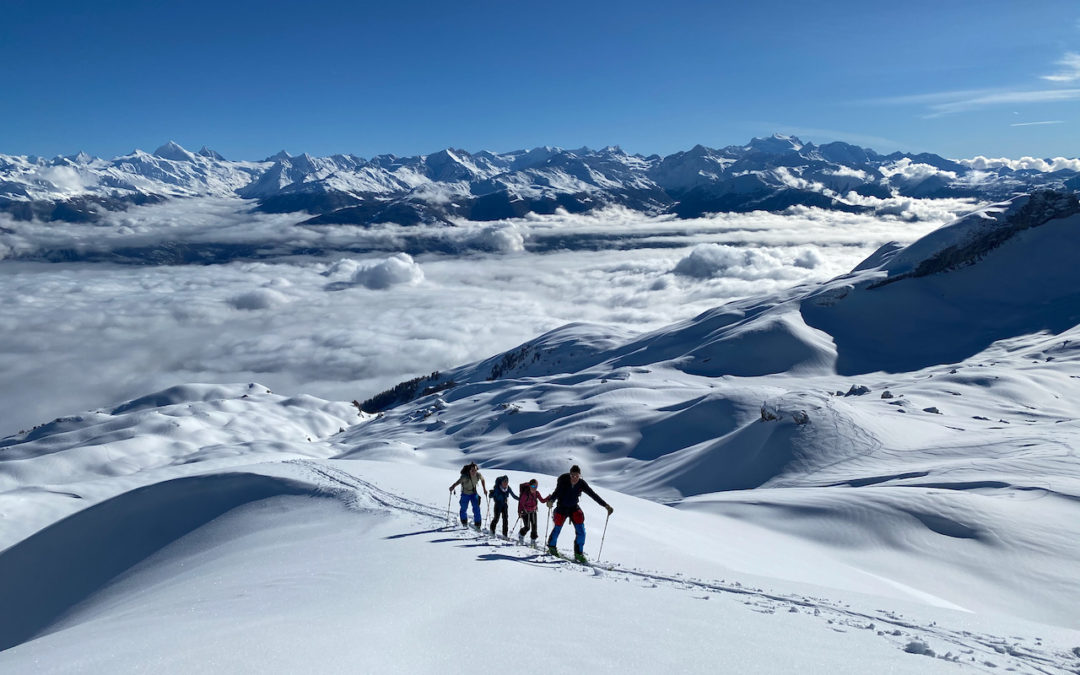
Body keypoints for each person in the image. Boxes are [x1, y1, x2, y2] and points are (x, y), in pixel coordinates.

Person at [545, 465, 613, 563]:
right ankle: (551, 547)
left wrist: (606, 506)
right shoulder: (564, 482)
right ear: (570, 474)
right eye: (572, 476)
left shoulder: (581, 484)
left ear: (579, 475)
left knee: (581, 530)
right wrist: (551, 500)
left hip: (573, 507)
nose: (574, 478)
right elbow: (557, 492)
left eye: (576, 476)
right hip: (562, 507)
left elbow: (593, 495)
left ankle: (578, 553)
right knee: (557, 528)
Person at [449, 462, 487, 528]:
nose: (474, 472)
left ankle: (478, 524)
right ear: (469, 470)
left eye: (475, 470)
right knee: (463, 508)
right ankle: (464, 522)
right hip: (465, 494)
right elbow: (458, 482)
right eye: (472, 470)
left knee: (476, 508)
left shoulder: (478, 475)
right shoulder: (464, 477)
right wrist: (453, 487)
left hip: (473, 493)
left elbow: (483, 479)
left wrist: (484, 489)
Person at [516, 478, 548, 544]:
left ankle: (533, 541)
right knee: (527, 527)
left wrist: (549, 497)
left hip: (533, 511)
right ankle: (521, 535)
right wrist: (519, 512)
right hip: (525, 512)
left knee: (534, 527)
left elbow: (542, 500)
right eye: (533, 486)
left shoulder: (536, 493)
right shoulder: (525, 494)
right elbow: (521, 503)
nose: (534, 488)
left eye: (536, 486)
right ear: (530, 486)